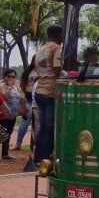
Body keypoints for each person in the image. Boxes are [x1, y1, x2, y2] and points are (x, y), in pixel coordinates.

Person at [33, 24, 64, 165]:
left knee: (44, 127)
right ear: (59, 34)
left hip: (39, 91)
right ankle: (45, 158)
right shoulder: (57, 49)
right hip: (50, 92)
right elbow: (58, 69)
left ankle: (38, 157)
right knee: (50, 128)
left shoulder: (41, 49)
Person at [14, 56, 37, 150]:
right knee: (24, 123)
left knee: (38, 125)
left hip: (38, 101)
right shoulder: (28, 72)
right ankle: (18, 144)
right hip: (29, 101)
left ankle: (36, 146)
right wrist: (27, 92)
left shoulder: (42, 71)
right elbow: (22, 83)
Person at [0, 69, 21, 159]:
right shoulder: (2, 86)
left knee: (9, 133)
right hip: (4, 114)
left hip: (13, 114)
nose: (11, 78)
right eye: (9, 76)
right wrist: (9, 87)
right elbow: (4, 96)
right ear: (5, 77)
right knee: (3, 133)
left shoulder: (16, 87)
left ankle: (5, 153)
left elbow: (18, 98)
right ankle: (4, 153)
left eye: (13, 76)